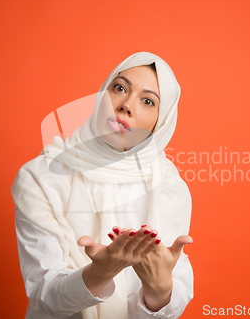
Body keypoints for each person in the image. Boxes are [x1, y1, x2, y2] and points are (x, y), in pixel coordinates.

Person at [11, 52, 193, 319]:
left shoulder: (169, 187)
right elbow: (44, 294)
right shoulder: (41, 177)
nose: (126, 105)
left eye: (147, 101)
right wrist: (99, 274)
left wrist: (160, 289)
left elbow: (174, 299)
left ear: (160, 123)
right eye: (120, 88)